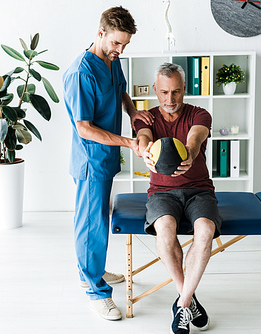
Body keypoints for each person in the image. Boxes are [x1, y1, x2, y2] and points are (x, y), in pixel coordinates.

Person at [63, 6, 153, 321]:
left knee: (99, 220)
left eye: (125, 45)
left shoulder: (112, 62)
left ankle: (93, 272)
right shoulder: (81, 73)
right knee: (91, 225)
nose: (120, 50)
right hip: (91, 161)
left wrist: (133, 114)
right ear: (100, 33)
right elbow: (84, 127)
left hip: (107, 157)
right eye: (116, 44)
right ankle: (95, 292)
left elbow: (122, 92)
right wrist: (130, 142)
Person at [134, 63, 222, 334]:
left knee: (205, 230)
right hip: (162, 192)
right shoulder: (145, 117)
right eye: (163, 92)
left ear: (184, 89)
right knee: (165, 229)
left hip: (199, 190)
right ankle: (190, 300)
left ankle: (183, 302)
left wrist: (192, 153)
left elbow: (196, 138)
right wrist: (146, 148)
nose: (169, 100)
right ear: (155, 90)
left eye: (175, 92)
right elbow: (143, 136)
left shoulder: (200, 114)